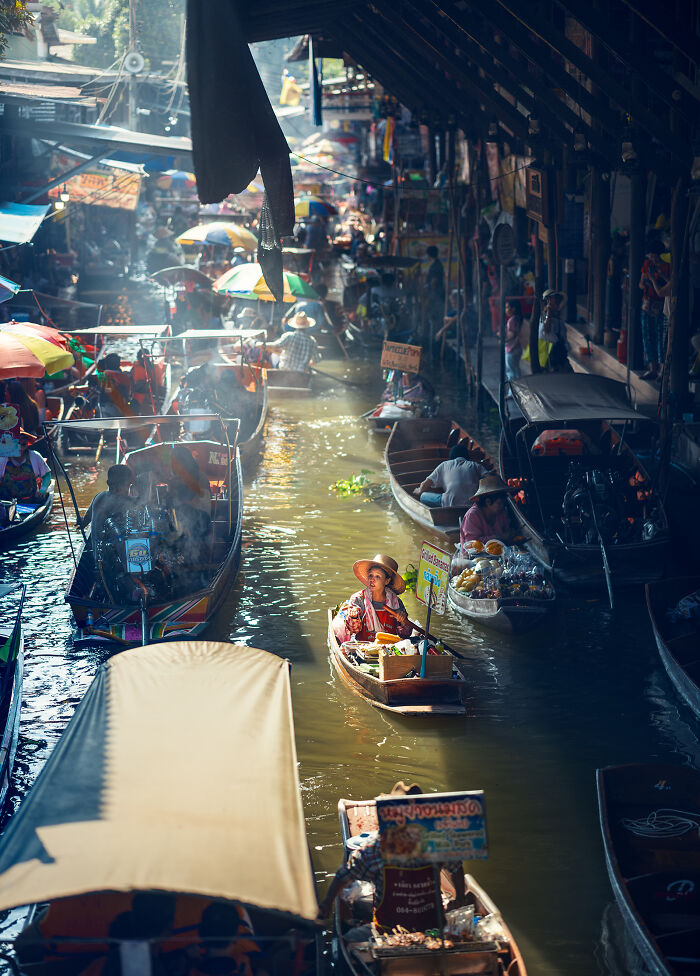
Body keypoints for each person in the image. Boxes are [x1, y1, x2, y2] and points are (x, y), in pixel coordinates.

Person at [317, 782, 467, 932]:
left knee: (351, 935)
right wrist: (459, 898)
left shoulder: (376, 847)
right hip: (433, 928)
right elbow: (457, 868)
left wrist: (327, 902)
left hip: (389, 932)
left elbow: (344, 874)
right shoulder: (438, 843)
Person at [332, 554, 412, 644]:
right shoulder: (358, 599)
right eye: (370, 575)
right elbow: (353, 630)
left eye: (377, 576)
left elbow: (406, 634)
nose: (372, 580)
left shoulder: (396, 602)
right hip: (363, 649)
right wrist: (354, 617)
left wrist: (403, 622)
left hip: (390, 650)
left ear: (387, 581)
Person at [79, 464, 133, 559]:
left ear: (107, 483)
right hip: (112, 561)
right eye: (126, 485)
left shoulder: (99, 497)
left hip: (98, 558)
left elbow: (85, 521)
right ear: (128, 484)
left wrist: (80, 521)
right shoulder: (123, 502)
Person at [414, 443, 487, 508]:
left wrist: (419, 491)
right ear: (466, 455)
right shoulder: (475, 465)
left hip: (449, 504)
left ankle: (440, 515)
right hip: (472, 505)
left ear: (451, 456)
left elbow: (425, 484)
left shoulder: (444, 465)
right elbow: (491, 478)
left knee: (423, 496)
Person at [638, 240, 670, 380]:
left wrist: (655, 277)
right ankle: (652, 368)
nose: (652, 259)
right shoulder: (648, 265)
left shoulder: (667, 266)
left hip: (661, 304)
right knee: (647, 335)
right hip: (648, 303)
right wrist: (646, 281)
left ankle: (662, 369)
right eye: (651, 257)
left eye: (654, 256)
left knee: (660, 336)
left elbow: (666, 287)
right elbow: (640, 284)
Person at [460, 475, 516, 548]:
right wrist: (499, 537)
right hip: (475, 557)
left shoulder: (501, 512)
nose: (502, 506)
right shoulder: (472, 515)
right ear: (488, 502)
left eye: (503, 503)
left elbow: (506, 533)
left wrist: (511, 534)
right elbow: (472, 543)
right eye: (499, 503)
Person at [0, 429, 50, 505]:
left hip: (31, 500)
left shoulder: (35, 456)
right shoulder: (3, 459)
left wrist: (42, 490)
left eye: (24, 438)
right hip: (7, 502)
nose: (22, 441)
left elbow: (46, 475)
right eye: (18, 438)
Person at [539, 289, 571, 372]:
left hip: (559, 354)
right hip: (548, 355)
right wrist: (548, 315)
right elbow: (546, 331)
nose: (557, 304)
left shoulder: (559, 320)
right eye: (554, 301)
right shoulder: (542, 317)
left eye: (557, 302)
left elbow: (563, 338)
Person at [504, 300, 523, 381]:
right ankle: (519, 390)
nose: (506, 309)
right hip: (517, 347)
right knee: (516, 370)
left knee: (510, 372)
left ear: (513, 309)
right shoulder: (518, 318)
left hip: (511, 348)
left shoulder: (511, 320)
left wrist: (503, 338)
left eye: (508, 307)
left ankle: (511, 392)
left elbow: (512, 334)